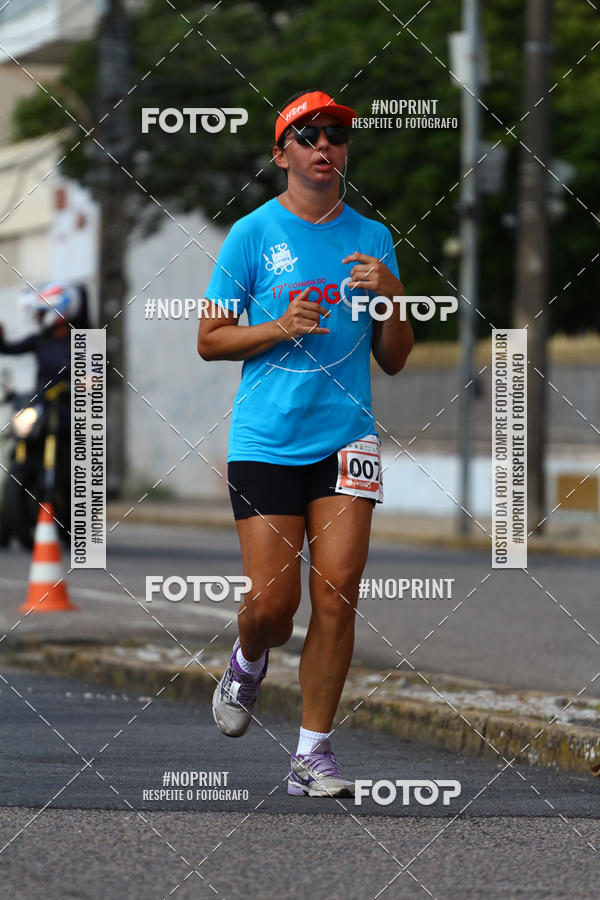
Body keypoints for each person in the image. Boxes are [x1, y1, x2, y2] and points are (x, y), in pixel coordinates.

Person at [198, 90, 414, 797]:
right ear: (281, 152)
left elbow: (397, 357)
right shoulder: (252, 236)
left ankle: (312, 755)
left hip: (345, 437)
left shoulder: (374, 238)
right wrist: (280, 327)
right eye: (309, 135)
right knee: (273, 608)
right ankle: (248, 658)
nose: (326, 146)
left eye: (338, 136)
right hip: (267, 438)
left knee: (339, 592)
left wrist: (394, 299)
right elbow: (210, 339)